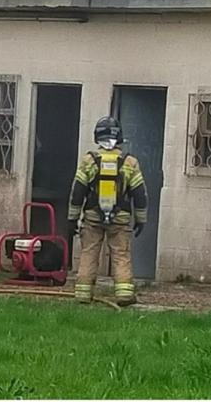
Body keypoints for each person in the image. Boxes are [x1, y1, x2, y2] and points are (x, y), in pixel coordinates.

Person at [68, 116, 148, 306]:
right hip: (120, 219)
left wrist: (72, 218)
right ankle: (124, 295)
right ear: (118, 137)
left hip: (93, 217)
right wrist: (141, 219)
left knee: (89, 253)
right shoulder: (130, 163)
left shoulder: (89, 161)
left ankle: (83, 295)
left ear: (98, 137)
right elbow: (140, 194)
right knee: (121, 255)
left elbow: (77, 191)